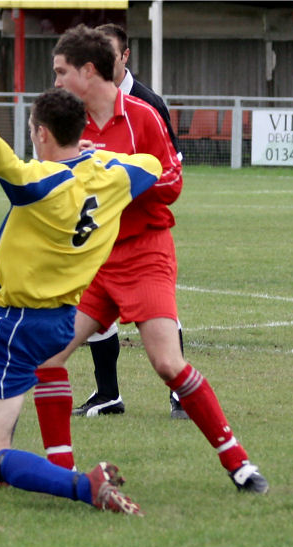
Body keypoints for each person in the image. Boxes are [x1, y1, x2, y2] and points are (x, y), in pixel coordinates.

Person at [45, 24, 267, 493]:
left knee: (167, 364)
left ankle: (239, 463)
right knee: (47, 359)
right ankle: (62, 477)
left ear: (88, 71)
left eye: (62, 72)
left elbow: (172, 185)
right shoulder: (71, 122)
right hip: (95, 261)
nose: (57, 81)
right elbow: (53, 187)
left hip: (146, 253)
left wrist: (115, 170)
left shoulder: (143, 115)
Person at [0, 68, 163, 515]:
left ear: (40, 132)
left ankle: (85, 486)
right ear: (80, 133)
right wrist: (94, 157)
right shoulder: (114, 176)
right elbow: (151, 165)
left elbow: (1, 159)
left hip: (19, 319)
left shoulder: (40, 185)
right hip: (62, 318)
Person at [73, 22, 188, 420]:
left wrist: (121, 177)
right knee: (63, 339)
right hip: (97, 242)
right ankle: (108, 394)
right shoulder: (75, 112)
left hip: (142, 241)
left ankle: (182, 396)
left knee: (163, 325)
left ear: (123, 56)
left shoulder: (146, 104)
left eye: (108, 51)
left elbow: (171, 170)